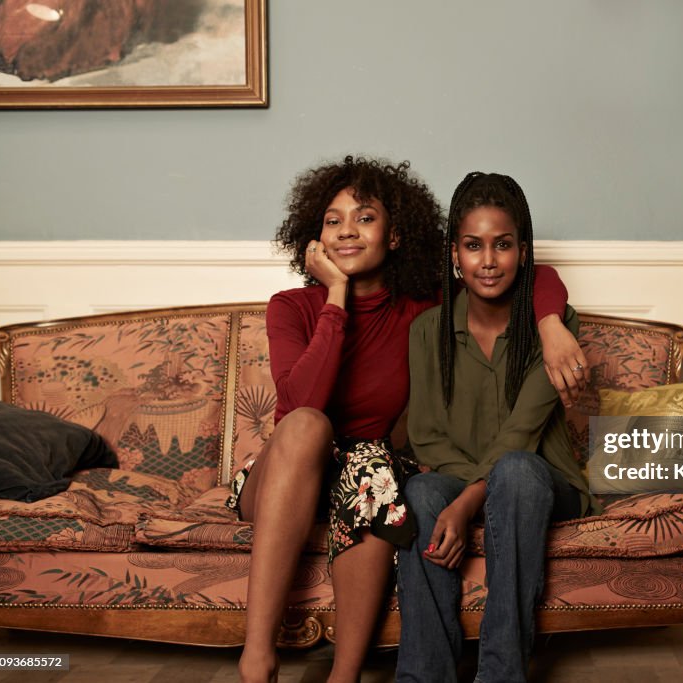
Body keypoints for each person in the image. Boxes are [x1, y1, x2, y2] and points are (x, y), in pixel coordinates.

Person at [230, 156, 588, 683]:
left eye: (366, 217)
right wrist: (335, 298)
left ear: (396, 235)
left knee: (387, 475)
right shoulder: (293, 306)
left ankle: (347, 676)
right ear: (314, 238)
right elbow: (299, 405)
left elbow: (521, 273)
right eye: (333, 220)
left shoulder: (420, 311)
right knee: (314, 428)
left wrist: (552, 321)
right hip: (290, 471)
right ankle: (257, 656)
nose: (347, 230)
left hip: (369, 473)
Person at [397, 172, 600, 683]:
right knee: (421, 492)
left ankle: (501, 675)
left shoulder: (555, 328)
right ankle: (424, 677)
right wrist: (466, 495)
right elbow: (425, 436)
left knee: (515, 470)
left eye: (502, 245)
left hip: (544, 481)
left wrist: (467, 503)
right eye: (473, 246)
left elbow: (521, 435)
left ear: (523, 252)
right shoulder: (427, 331)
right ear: (454, 255)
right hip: (468, 478)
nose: (488, 261)